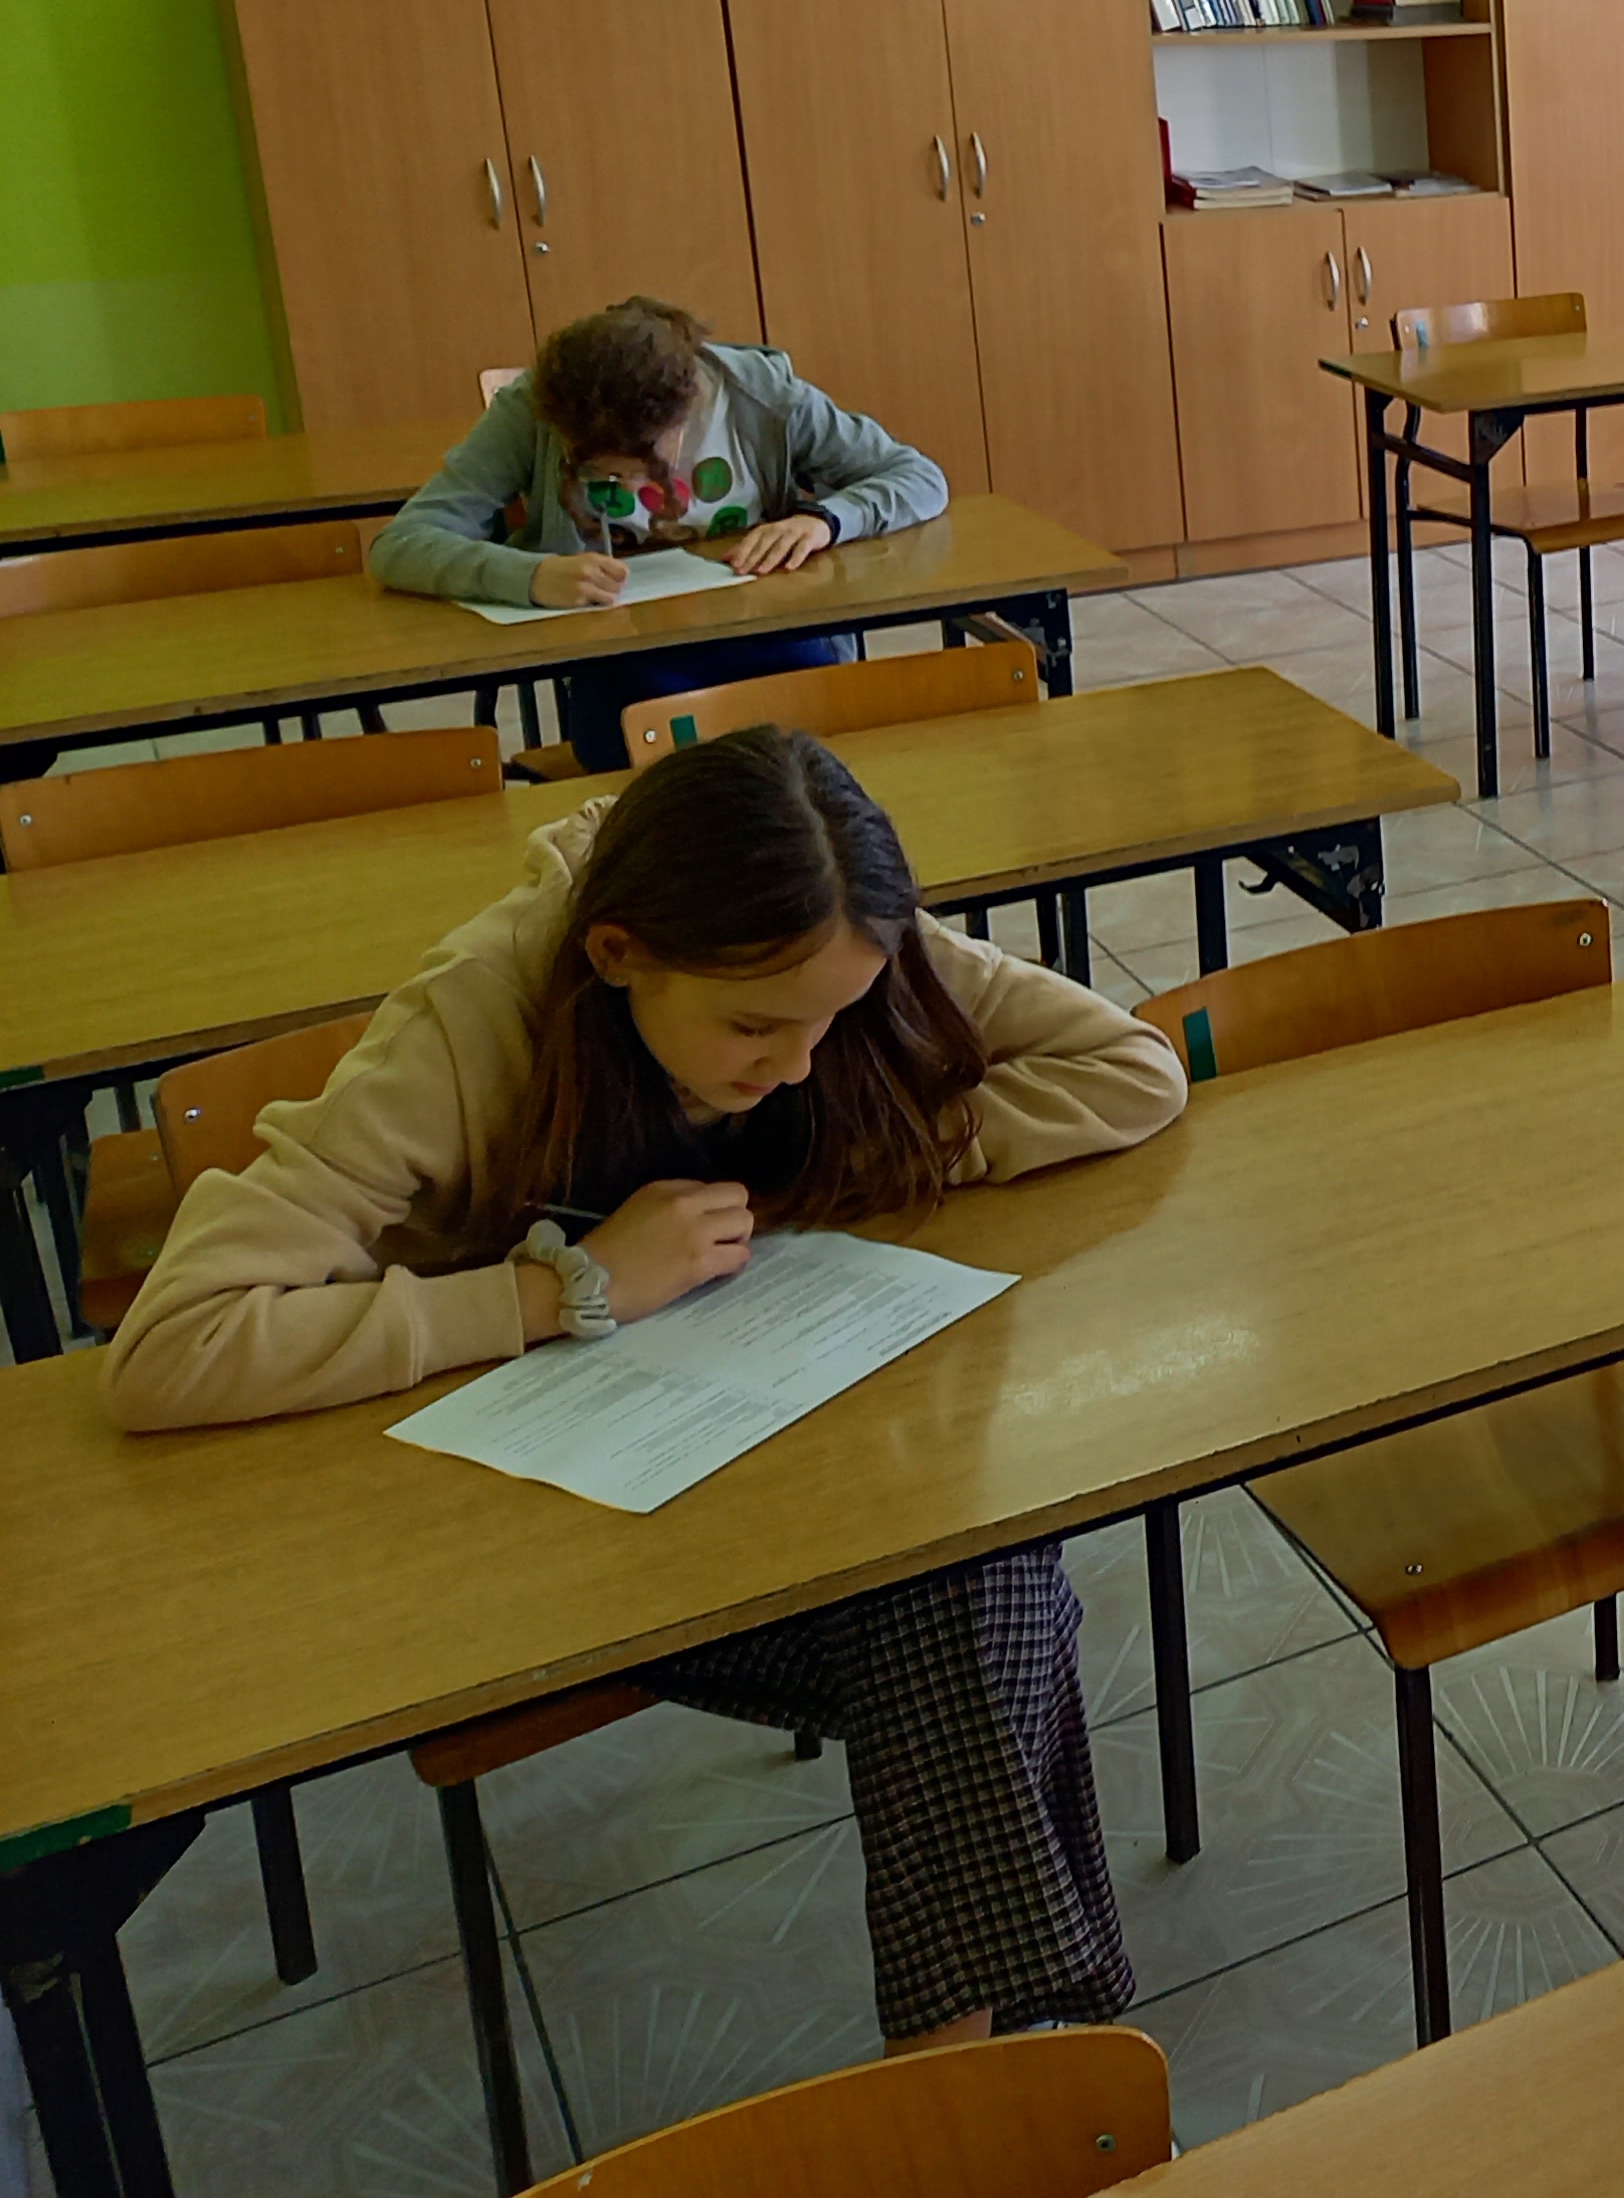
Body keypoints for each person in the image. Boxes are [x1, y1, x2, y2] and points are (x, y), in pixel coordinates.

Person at [100, 727, 1187, 2041]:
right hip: (552, 1517)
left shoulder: (839, 934)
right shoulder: (474, 1015)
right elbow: (172, 1347)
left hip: (771, 1457)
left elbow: (1136, 1068)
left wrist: (866, 1164)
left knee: (967, 1576)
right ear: (620, 954)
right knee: (978, 1605)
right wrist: (556, 1291)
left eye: (833, 1021)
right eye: (752, 1027)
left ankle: (965, 2085)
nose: (799, 1063)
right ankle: (1007, 2077)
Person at [372, 296, 949, 775]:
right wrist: (529, 574)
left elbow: (918, 476)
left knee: (806, 766)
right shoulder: (532, 411)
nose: (627, 484)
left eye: (642, 464)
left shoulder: (760, 394)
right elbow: (402, 543)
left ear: (686, 411)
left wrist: (824, 520)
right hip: (626, 657)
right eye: (602, 472)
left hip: (770, 635)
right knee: (654, 774)